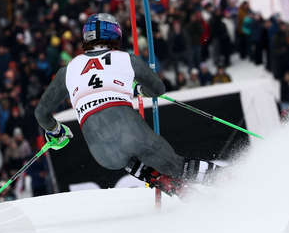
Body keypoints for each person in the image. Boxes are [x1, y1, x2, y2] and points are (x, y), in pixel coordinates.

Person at [35, 13, 222, 198]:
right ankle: (231, 180)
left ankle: (178, 190)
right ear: (116, 34)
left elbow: (41, 113)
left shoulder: (67, 70)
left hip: (101, 153)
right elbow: (158, 89)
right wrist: (138, 88)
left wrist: (56, 131)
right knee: (177, 167)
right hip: (131, 131)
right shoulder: (126, 58)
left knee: (130, 160)